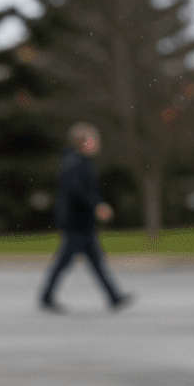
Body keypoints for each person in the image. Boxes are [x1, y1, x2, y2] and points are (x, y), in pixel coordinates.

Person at [39, 122, 133, 311]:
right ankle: (46, 297)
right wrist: (97, 205)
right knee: (66, 261)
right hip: (76, 221)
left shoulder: (80, 161)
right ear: (82, 142)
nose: (97, 143)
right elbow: (78, 191)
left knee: (94, 261)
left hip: (81, 221)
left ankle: (114, 297)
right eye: (93, 139)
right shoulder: (75, 163)